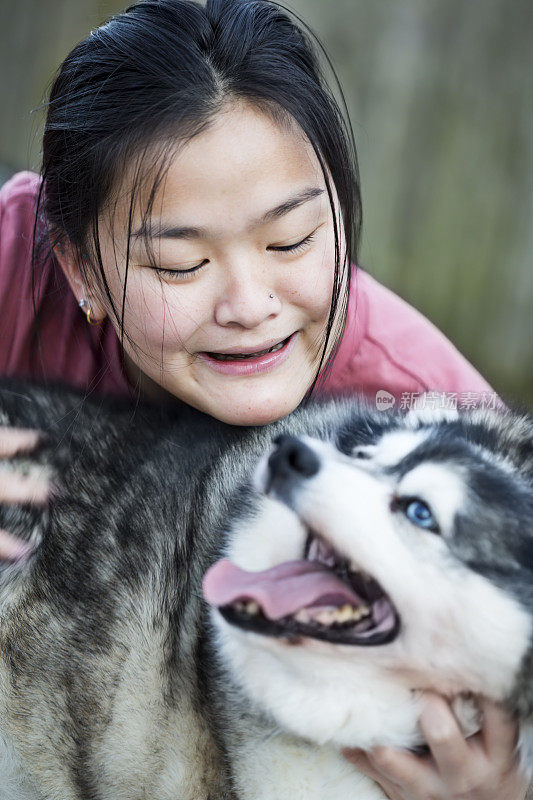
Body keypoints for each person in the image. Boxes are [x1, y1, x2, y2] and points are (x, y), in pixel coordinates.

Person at [0, 1, 527, 797]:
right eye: (180, 264)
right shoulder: (17, 260)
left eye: (291, 242)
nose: (249, 304)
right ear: (78, 271)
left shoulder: (420, 412)